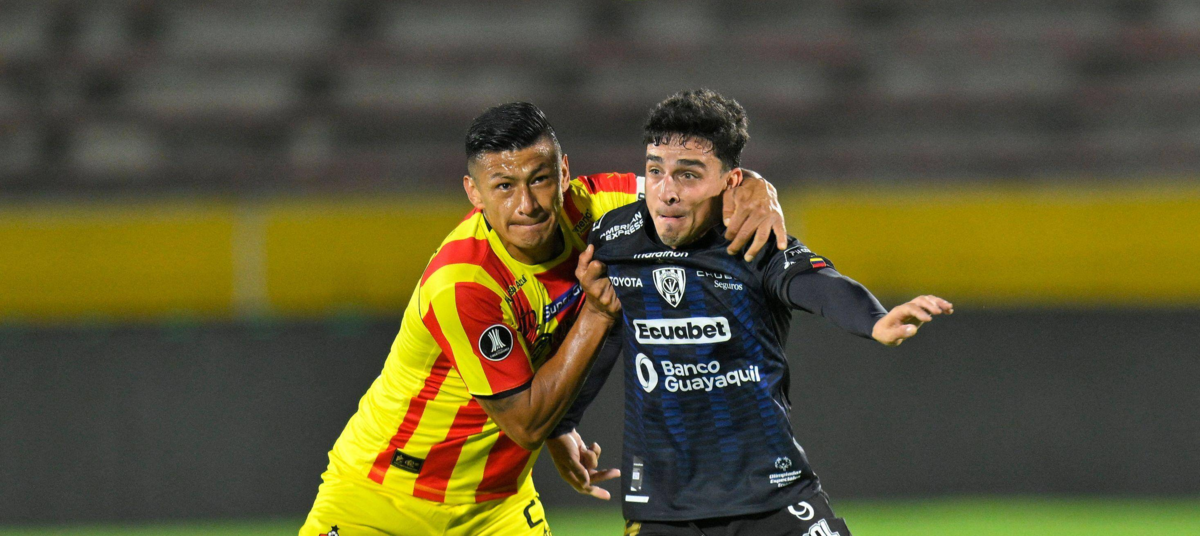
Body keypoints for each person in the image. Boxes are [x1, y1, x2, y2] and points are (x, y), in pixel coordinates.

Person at [300, 102, 790, 536]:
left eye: (539, 179)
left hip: (497, 505)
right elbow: (526, 423)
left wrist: (754, 186)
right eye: (504, 186)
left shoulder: (596, 206)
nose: (527, 205)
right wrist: (596, 315)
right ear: (474, 193)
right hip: (382, 498)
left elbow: (690, 187)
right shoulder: (464, 282)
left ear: (564, 171)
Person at [546, 91, 953, 536]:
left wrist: (873, 321)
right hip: (662, 509)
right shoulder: (614, 238)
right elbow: (605, 329)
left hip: (771, 497)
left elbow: (815, 282)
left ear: (731, 181)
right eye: (656, 171)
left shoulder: (751, 239)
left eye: (689, 175)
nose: (667, 192)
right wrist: (563, 423)